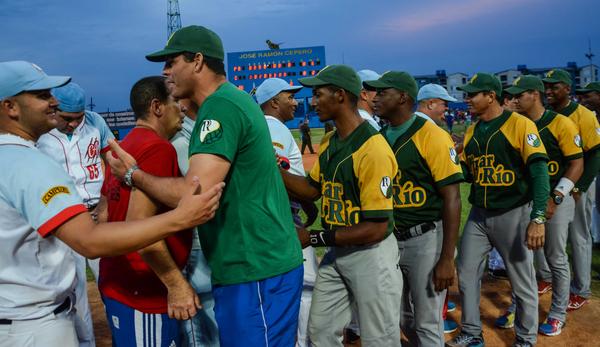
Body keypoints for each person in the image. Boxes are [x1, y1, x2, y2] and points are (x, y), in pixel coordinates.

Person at [0, 61, 222, 347]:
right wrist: (182, 217)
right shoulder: (29, 163)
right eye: (42, 95)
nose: (53, 101)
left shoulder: (11, 158)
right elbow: (89, 241)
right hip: (34, 324)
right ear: (10, 107)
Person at [106, 25, 304, 346]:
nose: (166, 72)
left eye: (172, 62)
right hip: (251, 265)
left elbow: (193, 195)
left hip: (257, 268)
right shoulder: (228, 102)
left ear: (197, 61)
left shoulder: (220, 106)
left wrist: (134, 175)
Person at [279, 64, 402, 347]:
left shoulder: (373, 149)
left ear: (340, 96)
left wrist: (312, 237)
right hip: (339, 250)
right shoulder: (333, 140)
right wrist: (275, 171)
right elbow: (312, 189)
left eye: (318, 94)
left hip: (371, 254)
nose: (312, 101)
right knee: (321, 332)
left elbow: (375, 228)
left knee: (379, 339)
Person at [446, 73, 549, 347]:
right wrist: (452, 160)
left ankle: (526, 338)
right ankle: (471, 332)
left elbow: (539, 172)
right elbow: (469, 173)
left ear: (491, 96)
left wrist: (537, 217)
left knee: (521, 280)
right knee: (466, 272)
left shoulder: (520, 125)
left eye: (473, 94)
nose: (467, 99)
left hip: (513, 213)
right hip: (479, 215)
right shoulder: (472, 129)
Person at [364, 72, 463, 345]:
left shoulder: (432, 135)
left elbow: (452, 197)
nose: (375, 98)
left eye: (383, 93)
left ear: (403, 97)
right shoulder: (380, 136)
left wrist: (446, 258)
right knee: (402, 316)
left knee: (428, 320)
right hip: (391, 240)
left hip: (427, 239)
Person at [100, 76, 197, 347]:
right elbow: (144, 233)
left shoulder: (126, 145)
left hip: (119, 281)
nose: (183, 108)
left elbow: (105, 211)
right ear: (157, 107)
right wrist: (176, 285)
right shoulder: (158, 148)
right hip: (145, 290)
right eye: (175, 102)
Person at [500, 75, 583, 336]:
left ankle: (558, 313)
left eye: (519, 95)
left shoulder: (561, 123)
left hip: (556, 199)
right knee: (522, 257)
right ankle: (519, 306)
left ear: (534, 95)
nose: (514, 100)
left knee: (555, 256)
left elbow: (577, 163)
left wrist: (556, 196)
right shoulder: (517, 124)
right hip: (525, 199)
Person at [37, 82, 114, 347]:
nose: (73, 124)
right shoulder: (40, 131)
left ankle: (121, 334)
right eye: (67, 118)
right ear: (54, 108)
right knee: (74, 290)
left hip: (96, 213)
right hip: (63, 219)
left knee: (112, 282)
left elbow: (112, 160)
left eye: (78, 118)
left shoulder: (94, 122)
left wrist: (105, 202)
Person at [255, 77, 319, 347]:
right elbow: (275, 178)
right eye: (288, 96)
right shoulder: (274, 128)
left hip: (272, 219)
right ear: (273, 102)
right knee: (308, 289)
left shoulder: (263, 127)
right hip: (282, 221)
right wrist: (306, 203)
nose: (295, 101)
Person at [542, 69, 600, 311]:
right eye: (546, 86)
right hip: (553, 184)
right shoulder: (546, 115)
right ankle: (547, 278)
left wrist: (580, 186)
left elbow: (595, 153)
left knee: (578, 237)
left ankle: (581, 289)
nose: (548, 91)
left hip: (578, 184)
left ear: (567, 88)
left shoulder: (583, 115)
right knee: (549, 236)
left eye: (554, 86)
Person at [171, 98, 220, 347]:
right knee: (201, 316)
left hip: (207, 238)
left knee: (209, 313)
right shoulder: (180, 139)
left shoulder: (201, 129)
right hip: (195, 240)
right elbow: (193, 190)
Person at [415, 82, 462, 335]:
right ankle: (439, 316)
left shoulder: (403, 129)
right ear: (430, 103)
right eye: (443, 104)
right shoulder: (433, 133)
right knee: (433, 281)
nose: (446, 109)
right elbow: (452, 196)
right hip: (429, 225)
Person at [576, 82, 600, 247]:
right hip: (594, 170)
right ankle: (597, 239)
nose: (583, 99)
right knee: (594, 207)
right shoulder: (591, 116)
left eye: (588, 95)